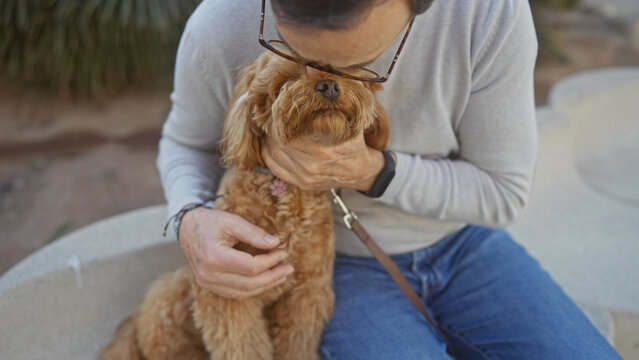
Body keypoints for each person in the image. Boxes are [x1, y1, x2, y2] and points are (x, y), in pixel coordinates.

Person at [156, 0, 622, 358]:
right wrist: (189, 217)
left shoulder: (487, 15)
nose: (325, 78)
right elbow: (185, 141)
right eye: (292, 53)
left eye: (359, 66)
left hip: (465, 243)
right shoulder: (219, 23)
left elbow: (503, 194)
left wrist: (373, 171)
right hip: (341, 266)